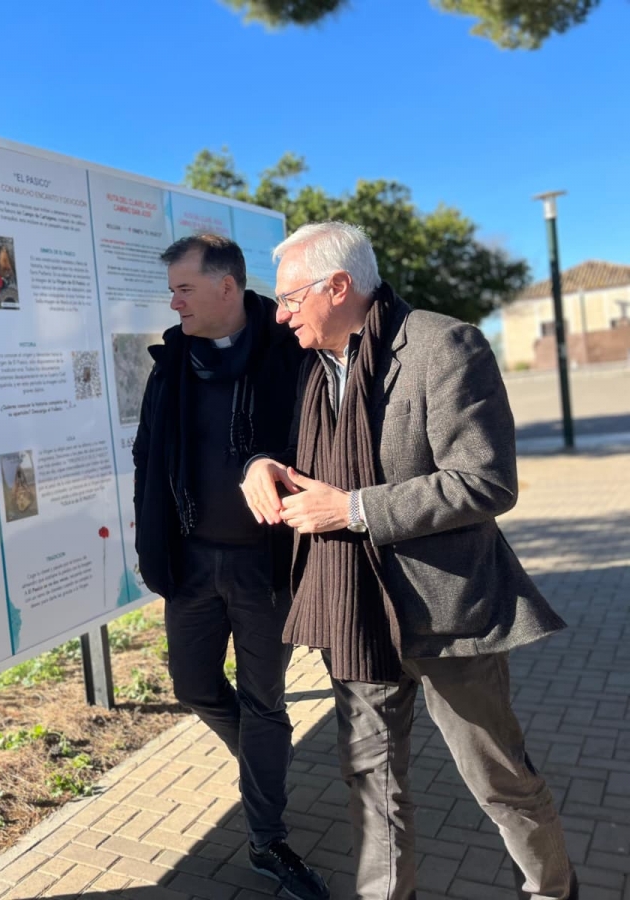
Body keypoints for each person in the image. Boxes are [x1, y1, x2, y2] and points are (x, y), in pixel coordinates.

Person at [241, 221, 576, 900]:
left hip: (446, 614)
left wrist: (353, 509)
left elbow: (485, 481)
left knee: (498, 779)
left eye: (290, 297)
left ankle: (552, 889)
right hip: (352, 609)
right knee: (371, 782)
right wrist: (259, 463)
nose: (279, 314)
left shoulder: (443, 346)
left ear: (339, 286)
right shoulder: (310, 366)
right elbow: (282, 446)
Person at [133, 233, 328, 900]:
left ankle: (267, 840)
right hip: (190, 564)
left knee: (264, 700)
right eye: (173, 290)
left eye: (184, 288)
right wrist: (152, 536)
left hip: (265, 568)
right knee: (193, 686)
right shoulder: (172, 364)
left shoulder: (290, 355)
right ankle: (262, 758)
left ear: (226, 287)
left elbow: (323, 448)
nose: (174, 301)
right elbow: (148, 456)